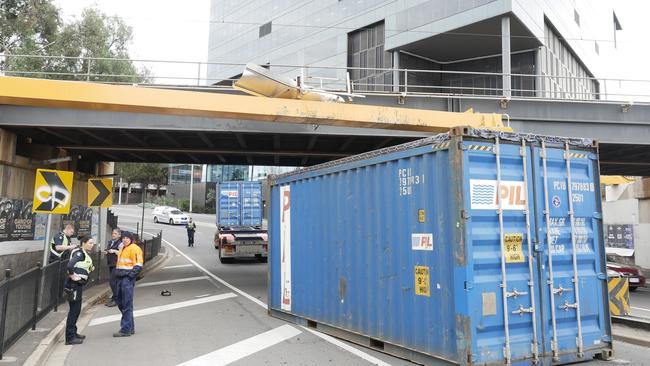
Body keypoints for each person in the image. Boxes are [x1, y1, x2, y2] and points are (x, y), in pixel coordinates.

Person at [64, 235, 95, 345]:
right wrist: (73, 275)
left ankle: (73, 332)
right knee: (74, 311)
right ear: (84, 243)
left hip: (77, 285)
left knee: (76, 310)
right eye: (90, 243)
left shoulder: (82, 252)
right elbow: (70, 265)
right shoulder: (79, 253)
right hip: (74, 285)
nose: (92, 245)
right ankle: (70, 337)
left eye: (93, 243)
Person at [113, 231, 143, 337]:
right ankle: (130, 327)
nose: (125, 239)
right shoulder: (122, 248)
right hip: (120, 277)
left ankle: (126, 329)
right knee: (120, 301)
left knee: (126, 303)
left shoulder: (135, 248)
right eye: (123, 238)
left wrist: (130, 276)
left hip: (127, 279)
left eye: (127, 238)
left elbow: (138, 264)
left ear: (130, 239)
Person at [104, 228, 123, 307]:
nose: (113, 234)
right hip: (110, 264)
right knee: (113, 282)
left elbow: (122, 253)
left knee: (113, 282)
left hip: (116, 265)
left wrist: (114, 251)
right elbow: (108, 250)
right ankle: (115, 297)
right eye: (113, 233)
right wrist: (107, 251)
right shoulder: (111, 242)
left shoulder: (120, 244)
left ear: (119, 235)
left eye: (115, 233)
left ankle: (116, 299)